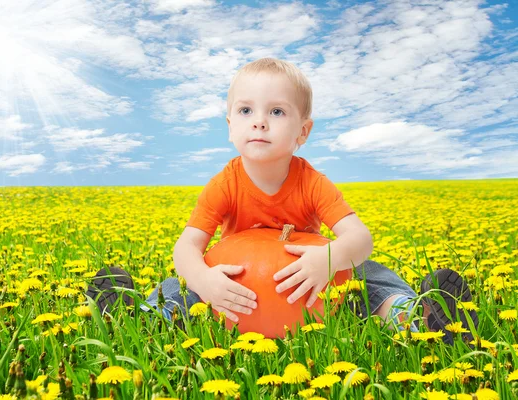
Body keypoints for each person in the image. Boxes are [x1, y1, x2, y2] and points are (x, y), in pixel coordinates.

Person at [87, 58, 478, 344]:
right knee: (180, 284)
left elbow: (359, 238)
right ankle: (134, 318)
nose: (259, 121)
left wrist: (330, 259)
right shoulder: (223, 184)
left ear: (302, 131)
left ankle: (417, 316)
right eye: (245, 110)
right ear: (230, 126)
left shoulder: (312, 182)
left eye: (276, 111)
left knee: (368, 273)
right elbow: (188, 245)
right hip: (233, 291)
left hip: (309, 288)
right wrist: (205, 280)